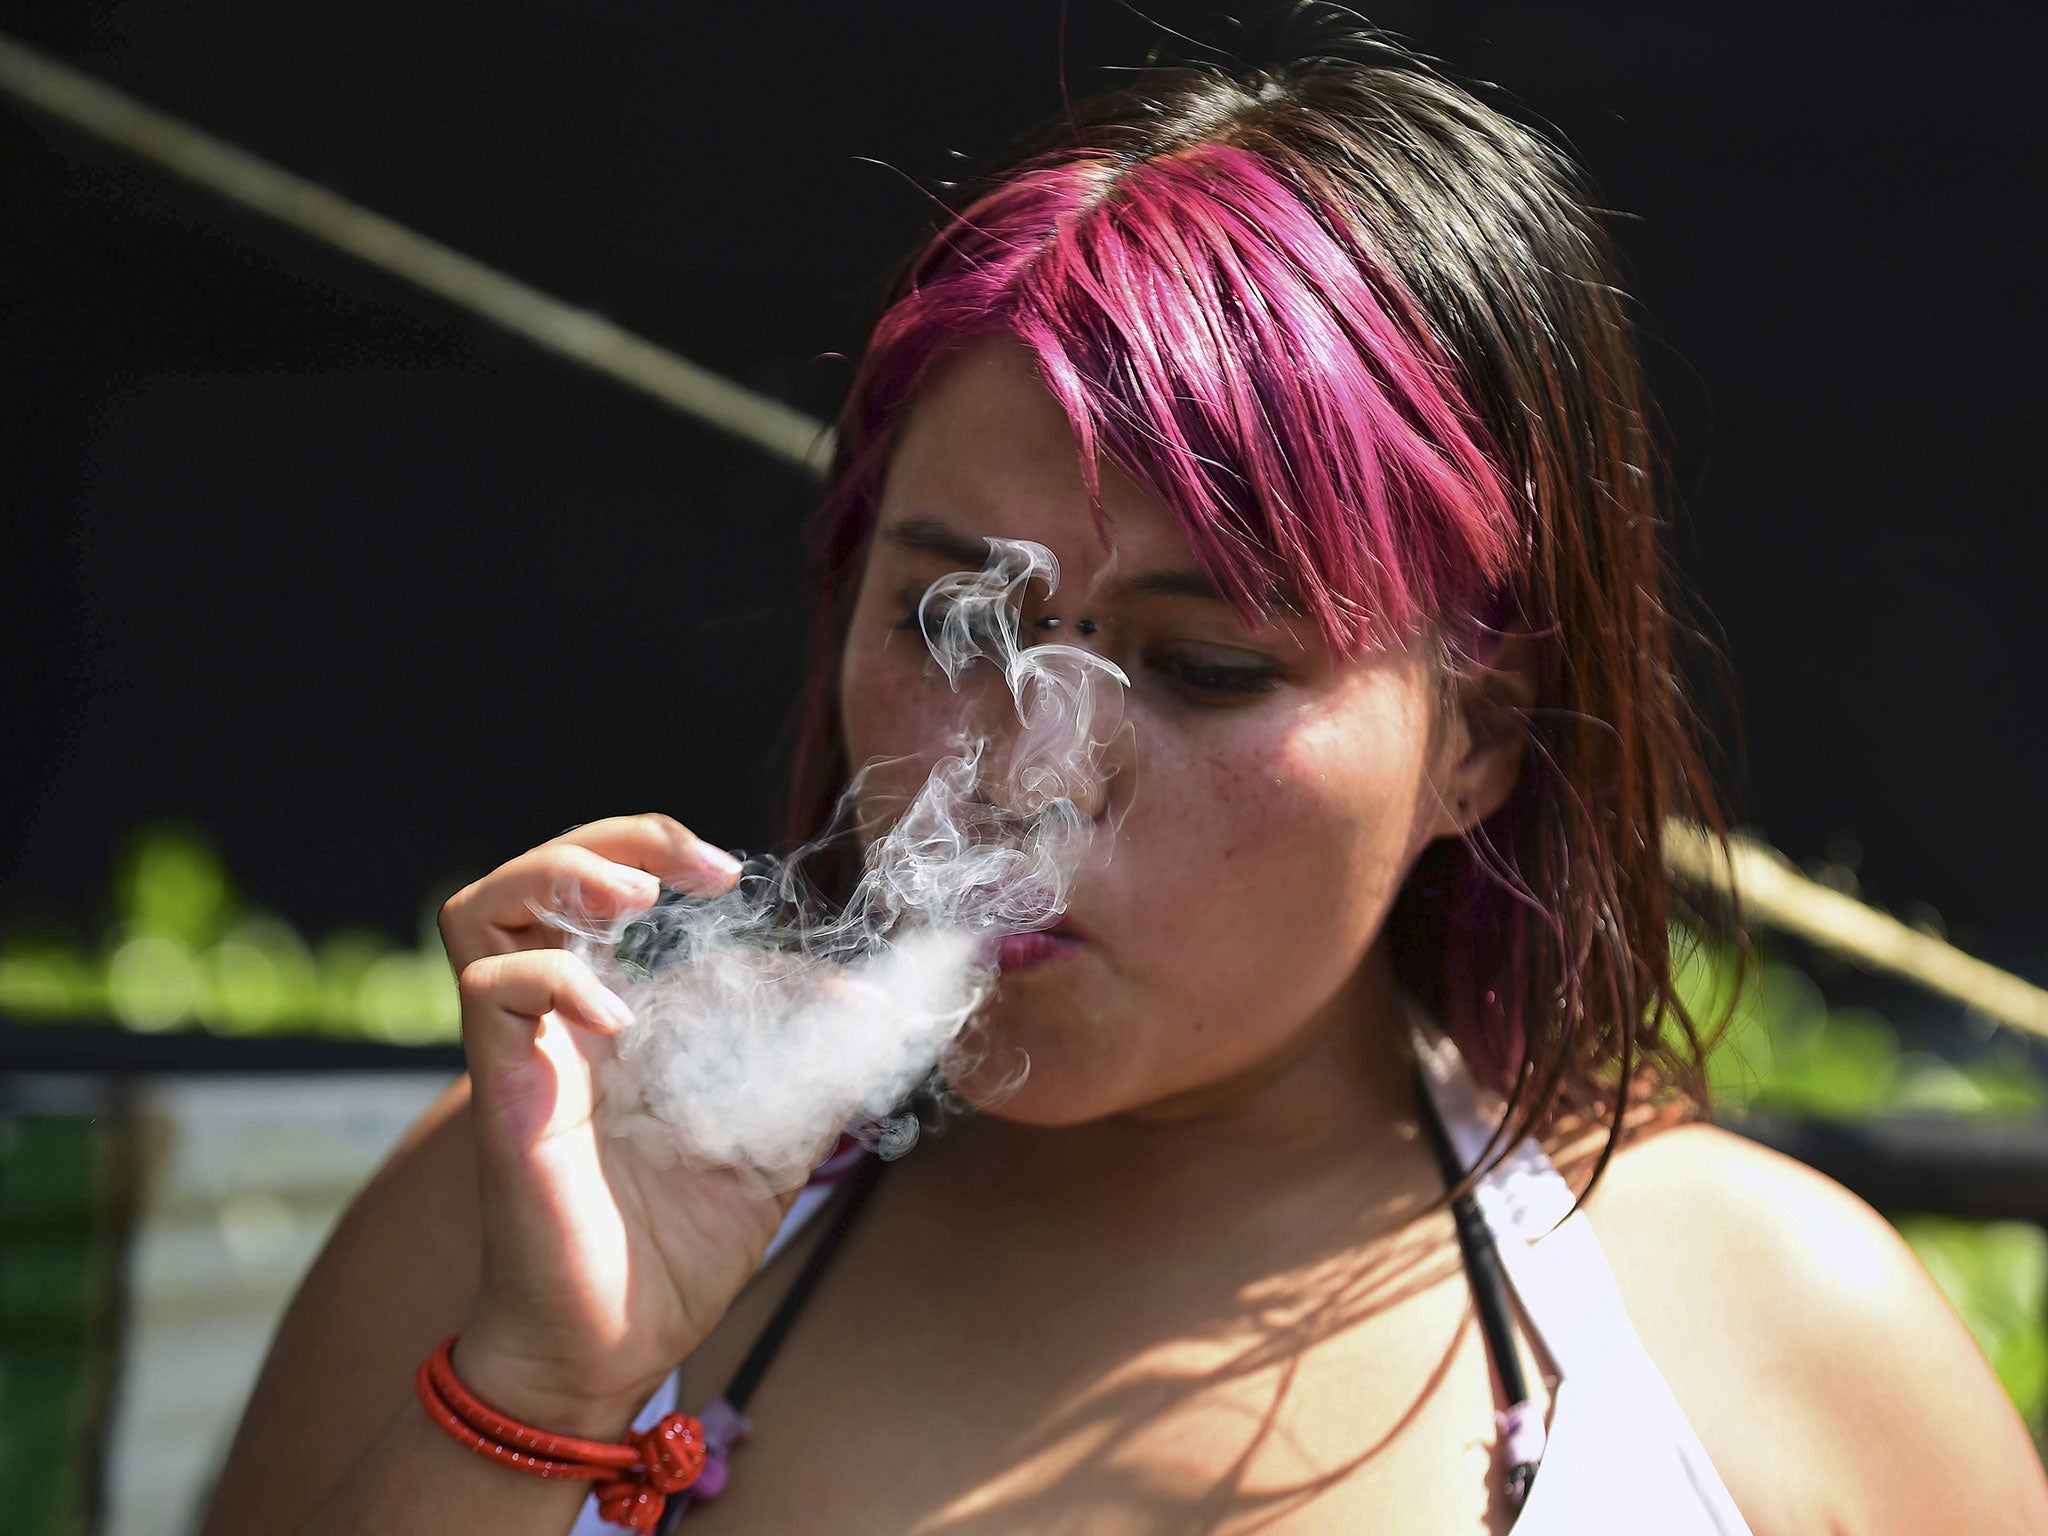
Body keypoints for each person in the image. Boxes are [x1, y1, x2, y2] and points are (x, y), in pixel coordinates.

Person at [203, 32, 2048, 1536]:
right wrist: (534, 1400)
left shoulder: (1766, 1343)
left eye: (1209, 665)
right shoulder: (534, 1218)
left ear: (1477, 741)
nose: (1023, 774)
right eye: (946, 617)